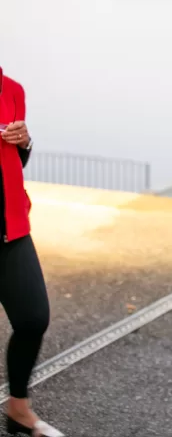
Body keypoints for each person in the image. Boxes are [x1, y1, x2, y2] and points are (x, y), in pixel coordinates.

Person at [0, 69, 64, 437]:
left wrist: (23, 142)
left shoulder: (12, 90)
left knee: (33, 318)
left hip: (12, 229)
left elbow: (16, 163)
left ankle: (18, 411)